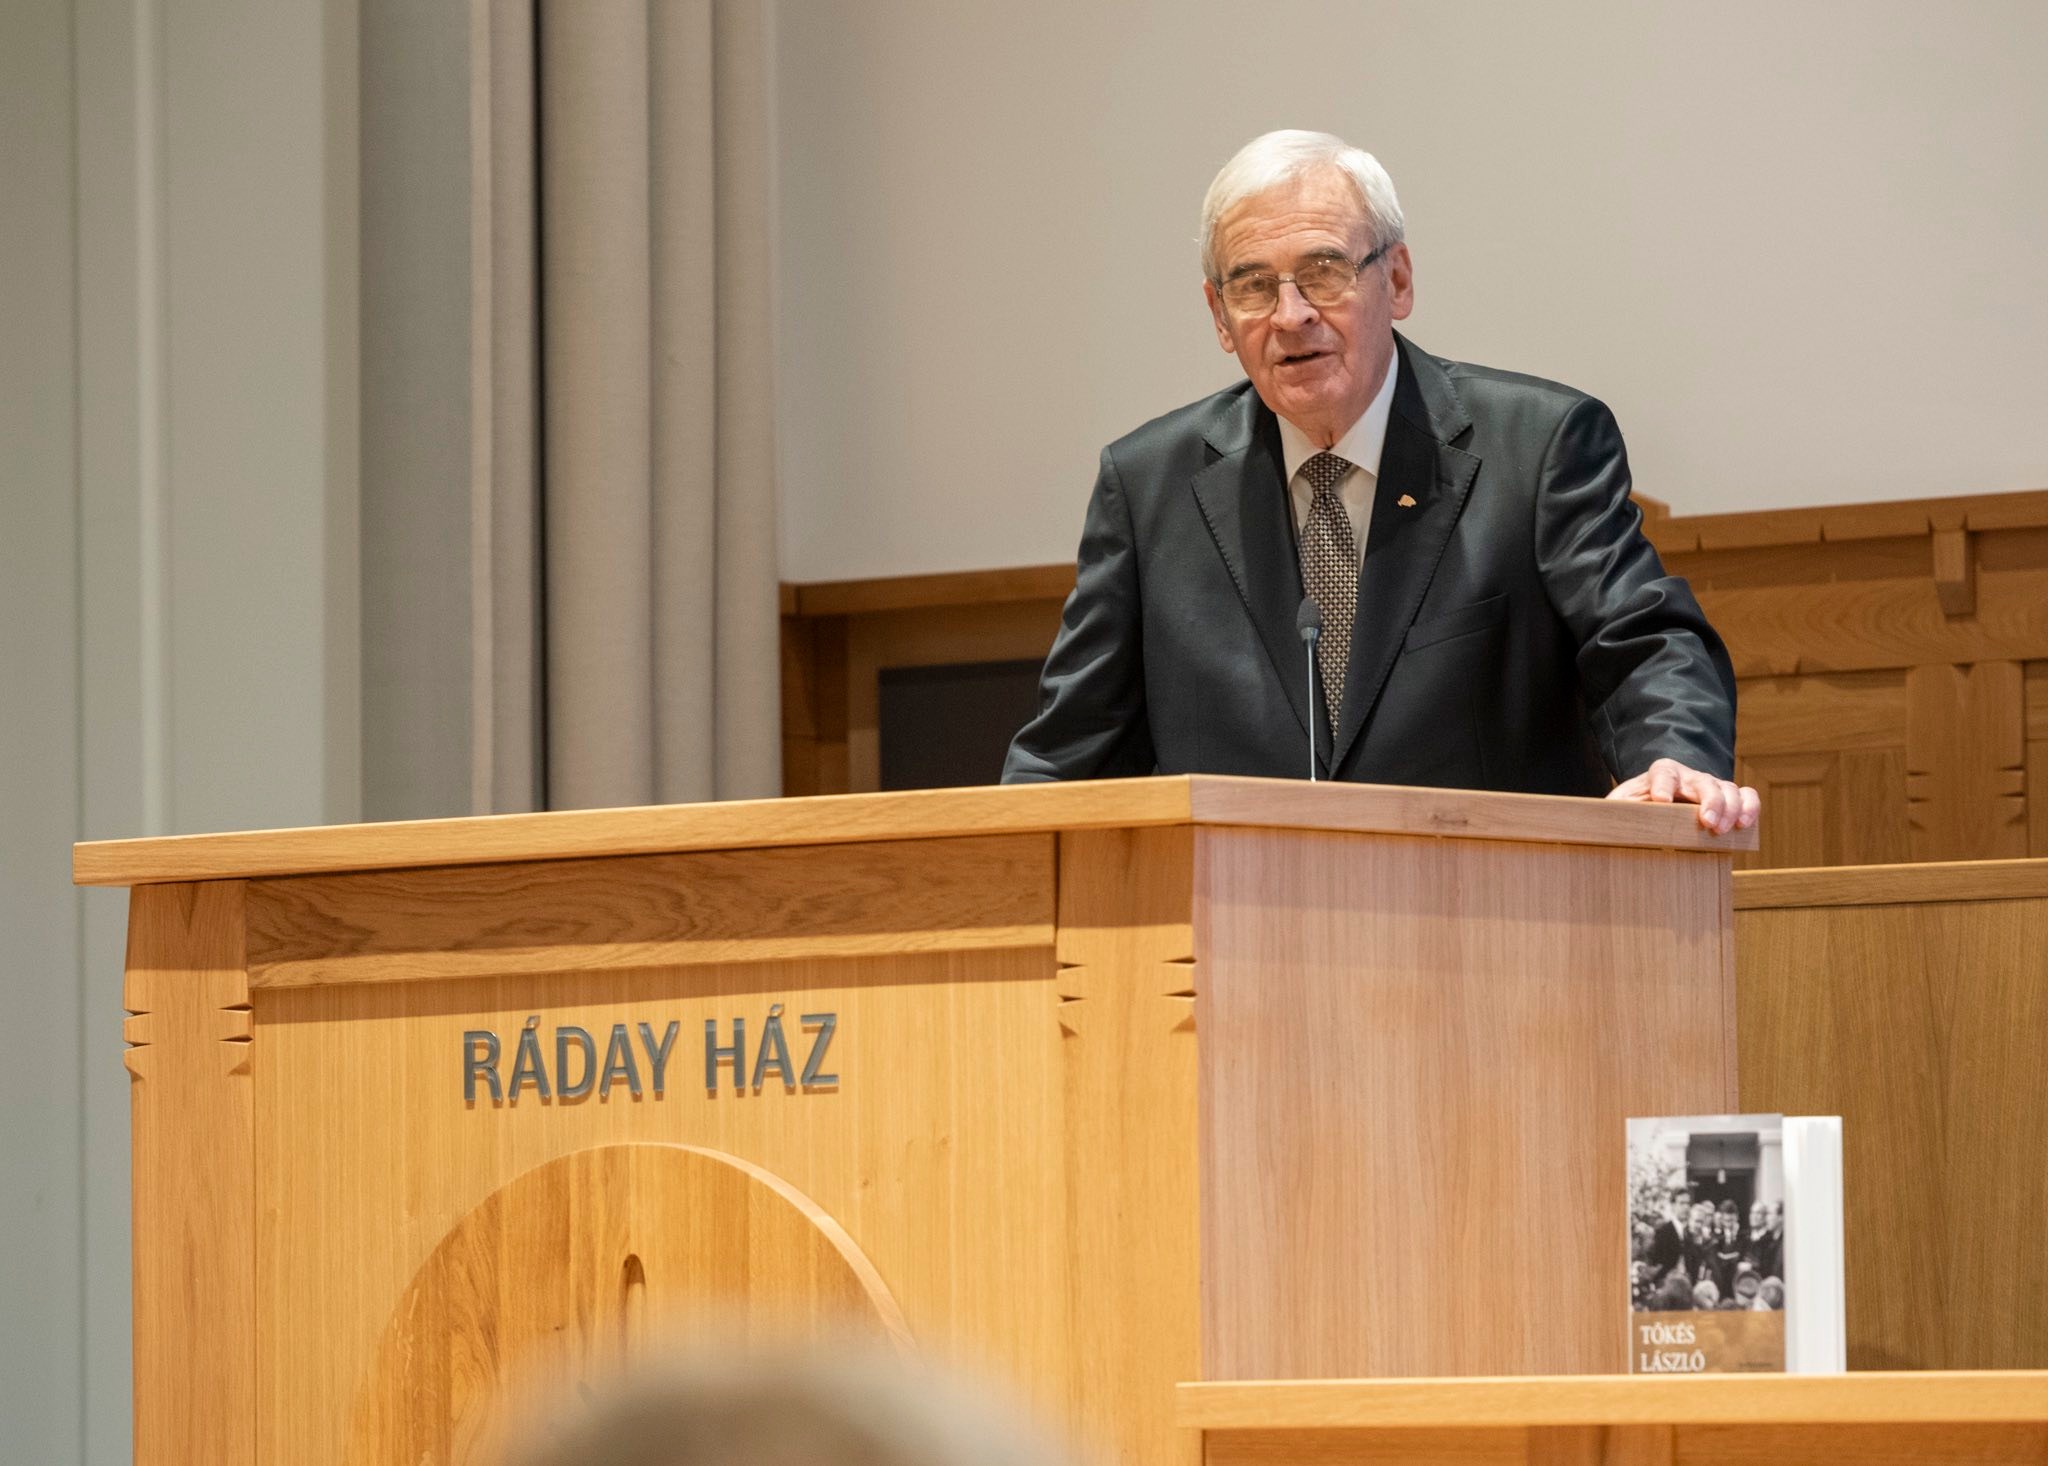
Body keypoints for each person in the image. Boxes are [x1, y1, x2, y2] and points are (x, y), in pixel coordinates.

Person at [1003, 130, 1760, 835]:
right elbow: (1069, 753)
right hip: (1239, 916)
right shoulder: (1148, 488)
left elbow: (1641, 640)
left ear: (1396, 280)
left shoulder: (1537, 448)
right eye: (1254, 286)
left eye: (1324, 272)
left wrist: (1675, 761)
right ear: (1219, 315)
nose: (1291, 315)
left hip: (1494, 906)